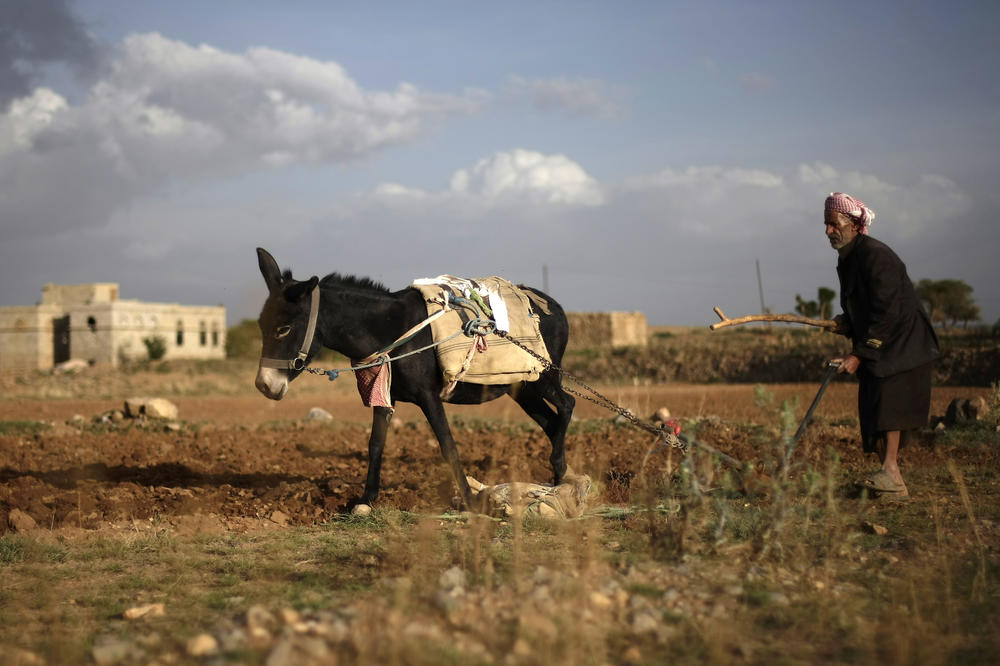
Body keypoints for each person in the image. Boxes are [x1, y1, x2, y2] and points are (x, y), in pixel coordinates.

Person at [824, 192, 939, 499]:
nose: (828, 231)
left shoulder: (876, 255)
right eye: (826, 224)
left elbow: (887, 310)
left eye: (834, 224)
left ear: (853, 224)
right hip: (883, 343)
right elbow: (864, 303)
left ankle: (891, 473)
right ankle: (891, 479)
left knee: (888, 403)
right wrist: (847, 321)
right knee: (874, 404)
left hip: (903, 344)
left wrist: (859, 353)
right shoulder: (848, 258)